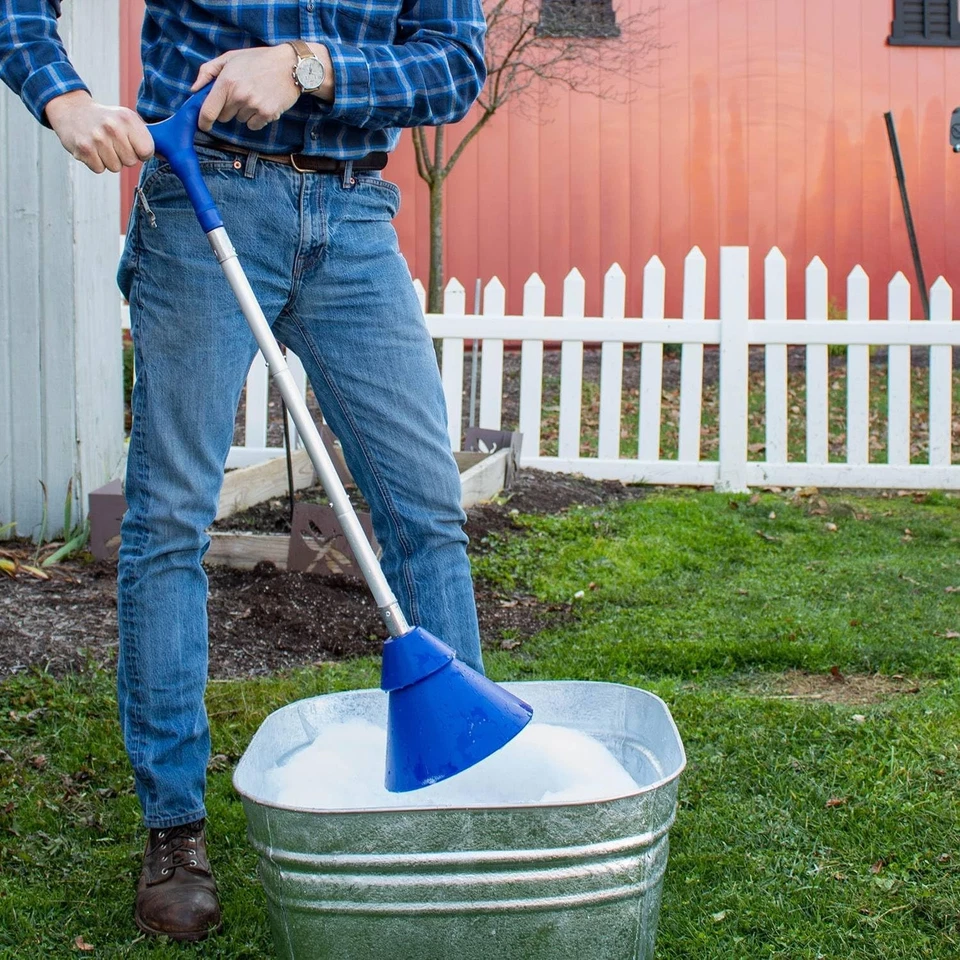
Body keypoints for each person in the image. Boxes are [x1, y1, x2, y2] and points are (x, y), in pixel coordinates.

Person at [1, 0, 487, 942]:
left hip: (353, 214)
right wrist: (60, 97)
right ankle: (174, 829)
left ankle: (459, 791)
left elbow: (455, 66)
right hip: (201, 187)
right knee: (171, 522)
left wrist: (307, 67)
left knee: (427, 511)